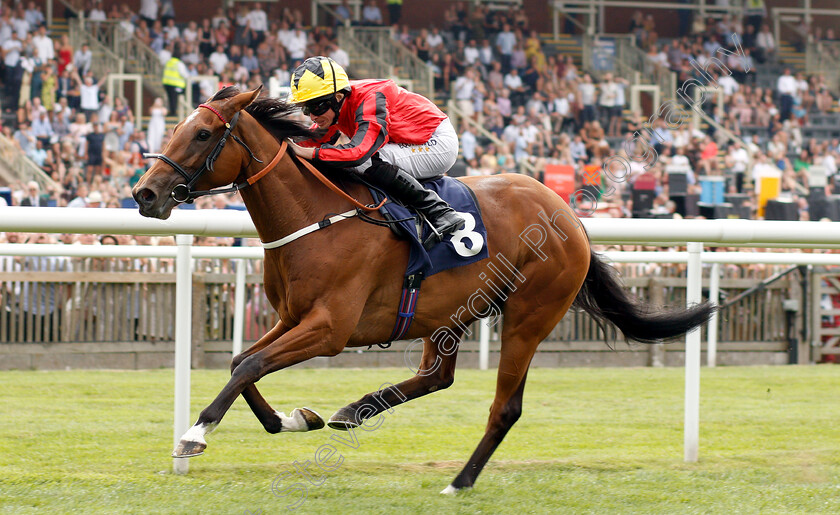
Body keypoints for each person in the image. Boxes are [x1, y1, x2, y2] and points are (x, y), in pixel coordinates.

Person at [287, 56, 465, 247]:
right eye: (306, 109)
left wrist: (314, 154)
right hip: (410, 142)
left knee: (366, 162)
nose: (313, 116)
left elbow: (358, 152)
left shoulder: (371, 98)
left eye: (317, 106)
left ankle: (440, 212)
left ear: (338, 97)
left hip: (436, 142)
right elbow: (310, 141)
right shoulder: (337, 104)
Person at [162, 45, 188, 114]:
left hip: (166, 83)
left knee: (170, 98)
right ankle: (173, 112)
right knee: (174, 98)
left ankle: (171, 111)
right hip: (176, 85)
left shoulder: (168, 62)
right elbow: (184, 74)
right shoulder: (179, 63)